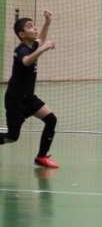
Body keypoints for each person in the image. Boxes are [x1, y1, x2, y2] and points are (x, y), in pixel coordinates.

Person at [0, 10, 59, 168]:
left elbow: (41, 39)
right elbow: (26, 61)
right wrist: (43, 48)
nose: (35, 28)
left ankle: (41, 157)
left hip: (28, 97)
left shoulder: (31, 46)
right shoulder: (21, 50)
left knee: (51, 119)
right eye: (30, 26)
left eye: (34, 25)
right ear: (22, 34)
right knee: (12, 137)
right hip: (15, 99)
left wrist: (47, 22)